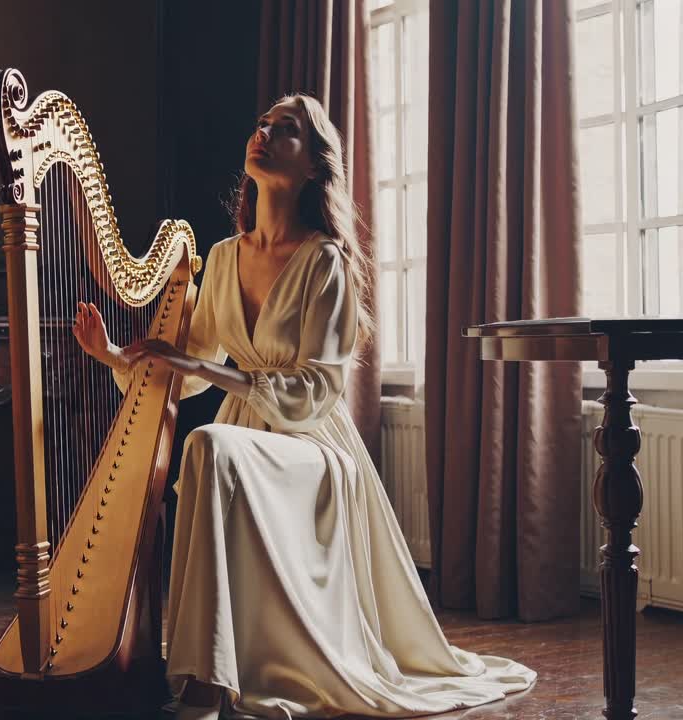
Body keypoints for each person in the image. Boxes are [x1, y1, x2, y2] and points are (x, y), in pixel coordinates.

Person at [71, 95, 536, 720]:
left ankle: (207, 687)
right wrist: (113, 356)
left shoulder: (326, 262)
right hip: (244, 438)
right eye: (260, 124)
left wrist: (202, 366)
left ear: (316, 164)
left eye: (284, 130)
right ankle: (211, 671)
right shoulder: (223, 257)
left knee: (208, 445)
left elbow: (317, 391)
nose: (262, 133)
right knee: (212, 444)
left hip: (315, 449)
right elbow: (182, 379)